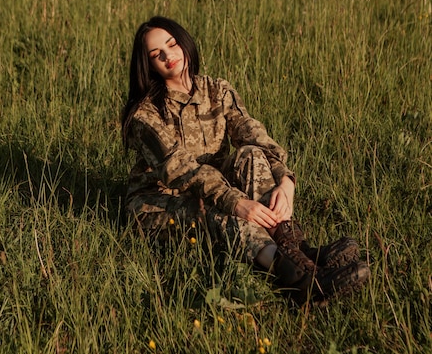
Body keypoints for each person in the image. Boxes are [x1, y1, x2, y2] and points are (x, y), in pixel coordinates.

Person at [121, 16, 370, 304]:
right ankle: (301, 281)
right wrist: (235, 201)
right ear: (148, 65)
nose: (168, 56)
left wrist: (286, 181)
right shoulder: (146, 115)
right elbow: (181, 169)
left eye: (172, 44)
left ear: (184, 42)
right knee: (218, 213)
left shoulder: (216, 90)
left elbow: (254, 136)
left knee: (250, 155)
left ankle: (300, 254)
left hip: (214, 184)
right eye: (156, 54)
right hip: (159, 200)